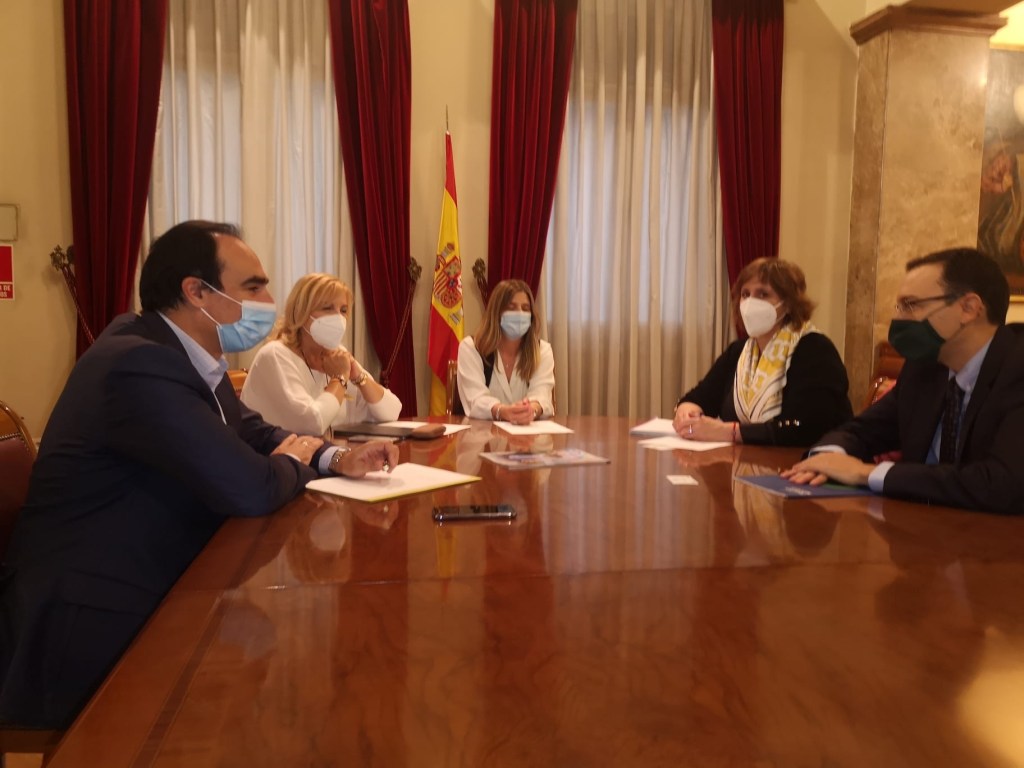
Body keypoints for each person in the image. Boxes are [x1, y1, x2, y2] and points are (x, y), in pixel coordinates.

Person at [0, 221, 399, 729]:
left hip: (157, 576)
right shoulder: (138, 363)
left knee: (284, 666)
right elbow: (249, 486)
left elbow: (252, 431)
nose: (269, 301)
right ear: (196, 292)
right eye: (253, 287)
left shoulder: (184, 355)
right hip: (94, 619)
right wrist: (293, 463)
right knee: (290, 690)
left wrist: (336, 459)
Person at [783, 247, 1024, 515]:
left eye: (911, 305)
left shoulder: (1017, 368)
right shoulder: (924, 369)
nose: (898, 319)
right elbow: (861, 430)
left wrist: (865, 473)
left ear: (968, 308)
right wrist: (827, 458)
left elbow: (1004, 484)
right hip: (918, 527)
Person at [672, 258, 852, 446]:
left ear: (788, 304)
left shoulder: (815, 350)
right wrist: (686, 411)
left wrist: (729, 432)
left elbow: (805, 428)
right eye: (745, 294)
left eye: (763, 294)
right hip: (745, 459)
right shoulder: (739, 351)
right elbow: (699, 397)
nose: (750, 303)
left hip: (808, 459)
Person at [240, 273, 402, 435]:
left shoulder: (337, 354)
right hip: (274, 451)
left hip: (328, 448)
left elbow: (391, 411)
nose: (338, 317)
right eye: (327, 308)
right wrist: (339, 378)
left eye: (343, 310)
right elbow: (312, 423)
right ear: (301, 312)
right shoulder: (275, 355)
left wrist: (358, 376)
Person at [457, 279, 554, 423]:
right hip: (482, 434)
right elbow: (475, 399)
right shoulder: (471, 347)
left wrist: (531, 410)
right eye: (511, 307)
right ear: (496, 312)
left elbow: (542, 396)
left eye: (525, 308)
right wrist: (502, 411)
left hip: (527, 433)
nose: (519, 314)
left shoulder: (542, 350)